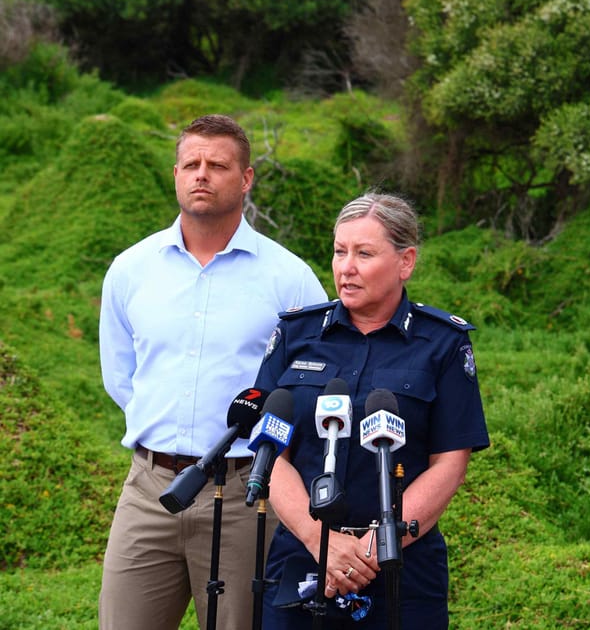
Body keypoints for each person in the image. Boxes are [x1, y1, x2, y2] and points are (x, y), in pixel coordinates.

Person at [98, 114, 329, 630]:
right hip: (149, 489)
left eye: (218, 165)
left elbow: (310, 390)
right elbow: (122, 376)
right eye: (191, 164)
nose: (201, 174)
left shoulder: (288, 279)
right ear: (176, 173)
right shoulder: (131, 270)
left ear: (246, 179)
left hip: (247, 493)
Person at [254, 191, 490, 629]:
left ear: (406, 262)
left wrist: (366, 550)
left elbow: (450, 465)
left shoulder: (443, 343)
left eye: (364, 253)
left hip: (402, 562)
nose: (346, 267)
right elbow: (270, 455)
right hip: (302, 558)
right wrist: (319, 541)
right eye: (340, 251)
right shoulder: (295, 334)